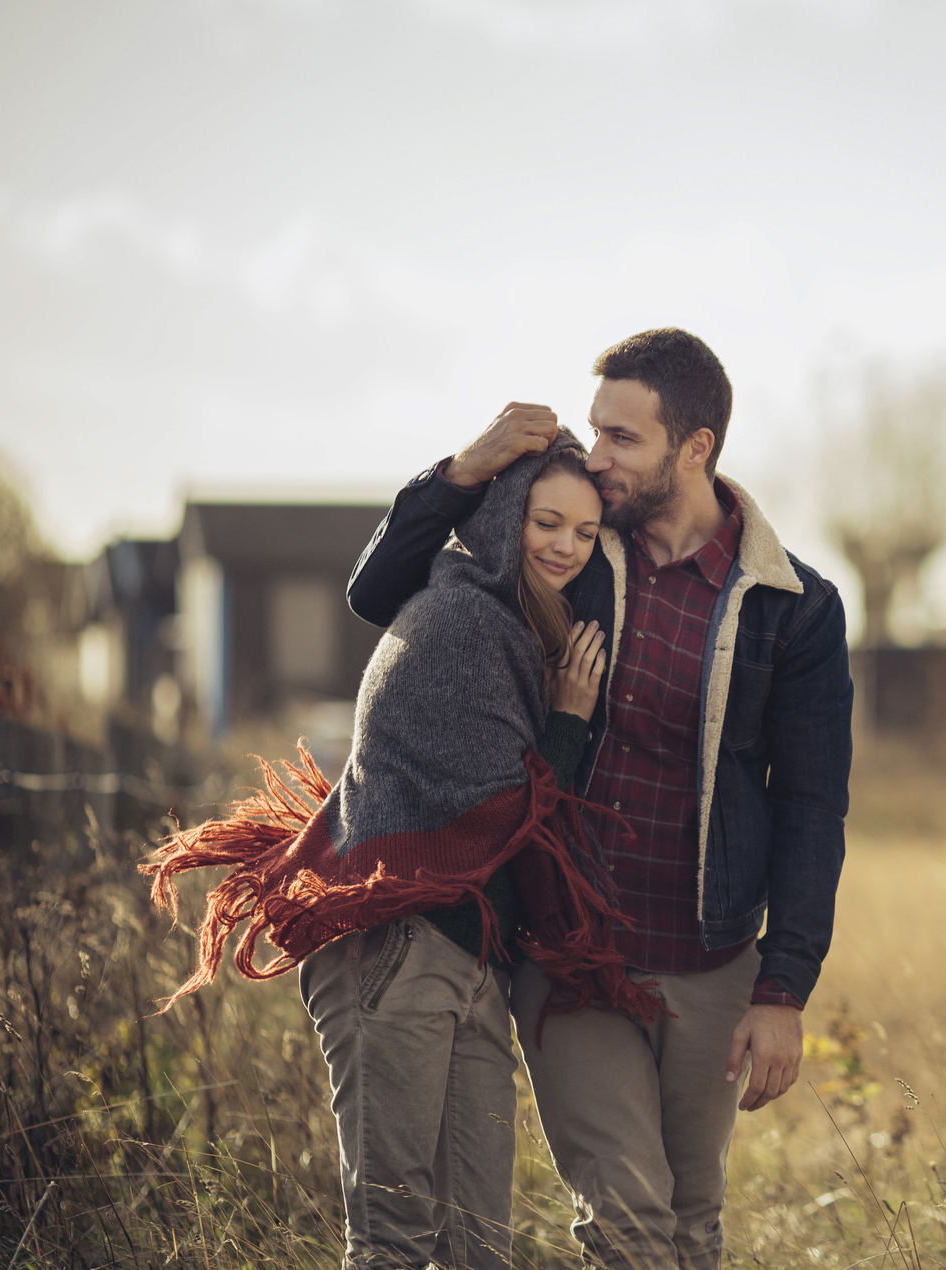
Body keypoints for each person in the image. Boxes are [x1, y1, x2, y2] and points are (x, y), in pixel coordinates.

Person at [346, 328, 853, 1270]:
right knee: (626, 1226)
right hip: (575, 957)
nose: (597, 456)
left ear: (694, 448)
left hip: (710, 961)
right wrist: (466, 467)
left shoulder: (795, 606)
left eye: (622, 437)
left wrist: (783, 988)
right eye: (595, 430)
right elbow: (380, 588)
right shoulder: (573, 551)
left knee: (691, 1225)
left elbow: (813, 808)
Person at [146, 433, 649, 1270]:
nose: (566, 545)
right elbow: (503, 820)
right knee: (392, 1244)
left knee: (477, 1248)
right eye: (546, 521)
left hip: (467, 956)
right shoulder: (458, 623)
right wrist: (565, 722)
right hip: (399, 952)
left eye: (586, 532)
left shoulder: (517, 629)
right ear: (499, 520)